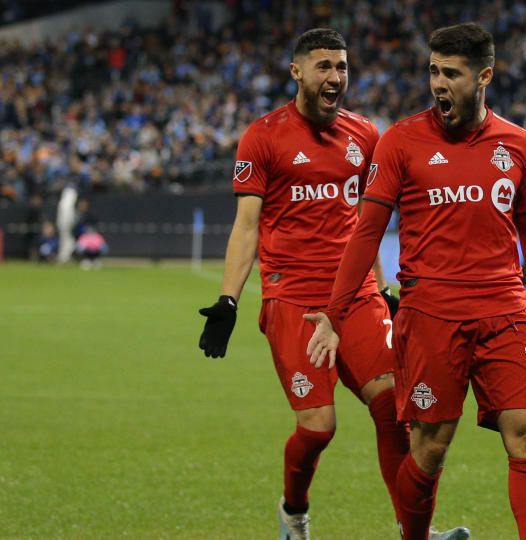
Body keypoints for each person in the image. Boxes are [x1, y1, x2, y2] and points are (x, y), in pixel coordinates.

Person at [303, 23, 526, 540]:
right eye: (433, 72)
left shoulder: (517, 145)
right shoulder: (401, 141)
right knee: (429, 448)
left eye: (452, 73)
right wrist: (334, 316)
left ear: (485, 75)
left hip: (506, 312)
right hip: (430, 318)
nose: (438, 84)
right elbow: (366, 234)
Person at [194, 29, 466, 540]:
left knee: (393, 408)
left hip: (356, 295)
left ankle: (415, 533)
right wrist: (228, 300)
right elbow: (246, 226)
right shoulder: (263, 136)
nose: (335, 77)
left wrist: (383, 290)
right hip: (292, 297)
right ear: (297, 71)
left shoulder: (366, 134)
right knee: (319, 428)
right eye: (323, 66)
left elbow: (368, 223)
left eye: (341, 67)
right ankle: (293, 512)